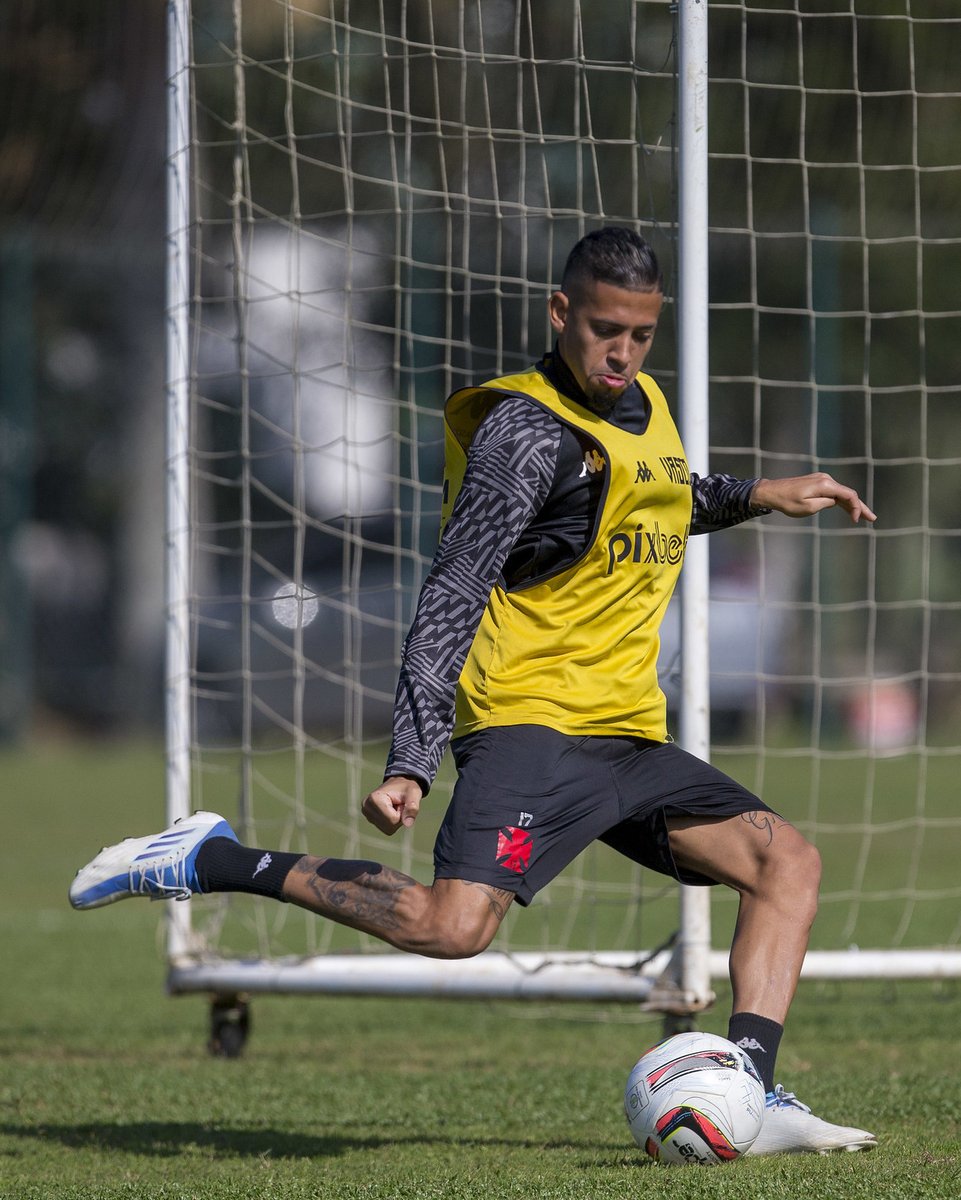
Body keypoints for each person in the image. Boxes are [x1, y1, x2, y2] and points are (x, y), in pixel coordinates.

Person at [71, 227, 878, 1156]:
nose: (621, 354)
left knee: (787, 866)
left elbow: (652, 497)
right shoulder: (521, 434)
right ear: (560, 312)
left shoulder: (642, 403)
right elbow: (452, 589)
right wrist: (410, 759)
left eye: (641, 335)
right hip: (529, 723)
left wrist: (755, 495)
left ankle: (751, 1090)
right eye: (604, 330)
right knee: (450, 929)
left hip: (624, 732)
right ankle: (211, 857)